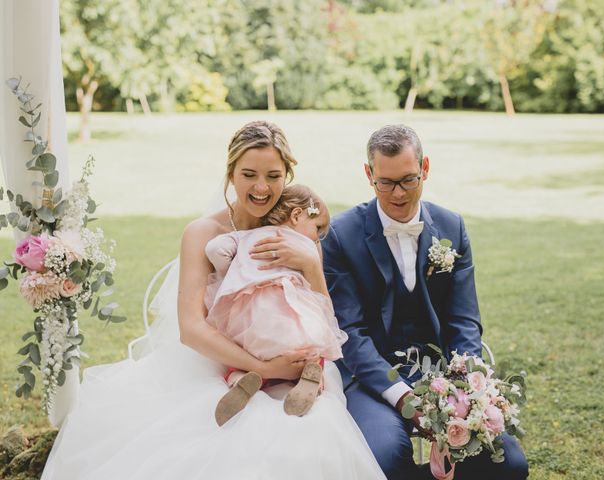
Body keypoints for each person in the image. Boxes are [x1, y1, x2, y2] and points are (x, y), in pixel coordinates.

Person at [40, 121, 385, 480]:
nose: (261, 187)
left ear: (288, 175)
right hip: (220, 365)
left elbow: (324, 317)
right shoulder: (204, 234)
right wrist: (263, 369)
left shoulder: (298, 232)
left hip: (297, 368)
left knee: (311, 435)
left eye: (274, 175)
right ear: (230, 172)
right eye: (248, 174)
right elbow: (191, 329)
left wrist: (312, 266)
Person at [321, 124, 529, 480]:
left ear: (425, 168)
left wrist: (465, 388)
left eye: (408, 180)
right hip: (372, 377)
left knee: (509, 464)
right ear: (368, 174)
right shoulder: (341, 234)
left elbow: (464, 321)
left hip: (442, 373)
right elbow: (350, 333)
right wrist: (402, 397)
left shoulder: (451, 227)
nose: (398, 194)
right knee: (383, 460)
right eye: (385, 183)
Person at [204, 184, 347, 425]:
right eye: (317, 228)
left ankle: (239, 379)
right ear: (297, 215)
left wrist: (234, 270)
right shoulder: (304, 247)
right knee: (313, 343)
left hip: (247, 319)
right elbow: (322, 304)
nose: (317, 237)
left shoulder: (245, 236)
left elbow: (215, 249)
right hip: (286, 316)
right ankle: (311, 376)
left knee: (241, 353)